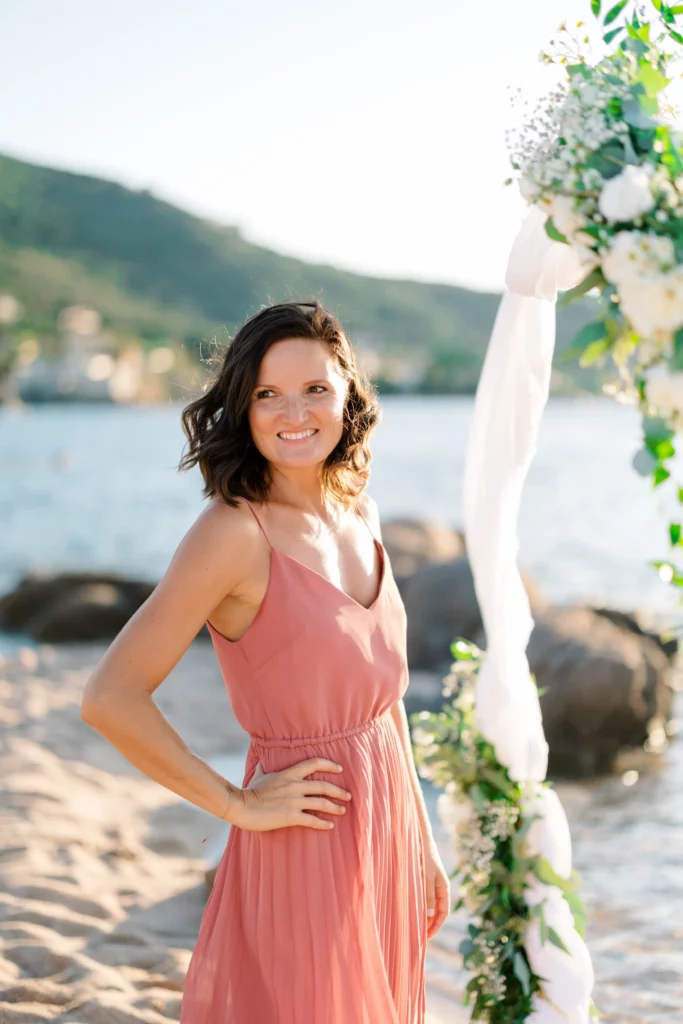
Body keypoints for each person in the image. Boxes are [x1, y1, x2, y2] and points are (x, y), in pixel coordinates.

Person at [80, 299, 450, 1023]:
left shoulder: (359, 511)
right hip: (302, 837)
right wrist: (235, 804)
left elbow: (381, 697)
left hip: (387, 823)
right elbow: (109, 696)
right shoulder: (231, 533)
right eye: (267, 395)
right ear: (242, 409)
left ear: (347, 392)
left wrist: (423, 840)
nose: (294, 413)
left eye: (314, 388)